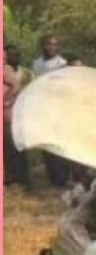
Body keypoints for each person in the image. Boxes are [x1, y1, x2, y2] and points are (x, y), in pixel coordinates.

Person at [30, 35, 73, 187]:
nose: (51, 47)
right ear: (43, 46)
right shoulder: (36, 63)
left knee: (61, 143)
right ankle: (53, 177)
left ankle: (64, 177)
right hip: (42, 108)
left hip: (59, 108)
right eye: (48, 44)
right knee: (47, 144)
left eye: (54, 44)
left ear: (58, 47)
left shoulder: (63, 63)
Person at [4, 44, 33, 189]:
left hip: (16, 116)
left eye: (17, 54)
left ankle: (21, 178)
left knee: (17, 148)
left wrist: (7, 100)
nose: (14, 57)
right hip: (6, 116)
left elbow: (19, 87)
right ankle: (10, 178)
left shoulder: (21, 72)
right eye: (11, 54)